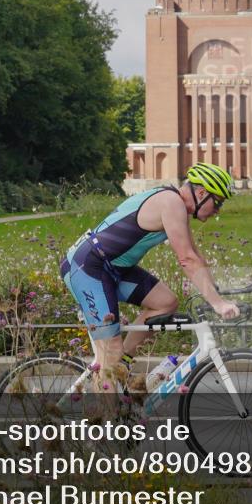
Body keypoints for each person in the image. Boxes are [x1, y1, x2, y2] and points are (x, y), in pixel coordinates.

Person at [59, 162, 240, 390]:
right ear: (202, 193)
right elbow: (186, 259)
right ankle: (104, 406)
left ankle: (121, 365)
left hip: (113, 268)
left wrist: (218, 294)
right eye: (218, 202)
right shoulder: (171, 203)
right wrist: (218, 304)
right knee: (110, 352)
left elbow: (195, 256)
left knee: (166, 303)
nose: (218, 210)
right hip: (88, 267)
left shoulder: (177, 205)